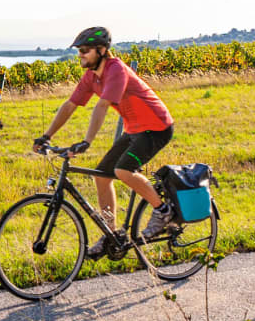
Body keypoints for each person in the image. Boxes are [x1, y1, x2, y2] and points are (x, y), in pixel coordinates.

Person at [33, 26, 177, 259]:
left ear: (101, 50)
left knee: (122, 170)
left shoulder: (116, 70)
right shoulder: (92, 76)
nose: (79, 54)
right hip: (134, 130)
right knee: (101, 175)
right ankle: (111, 234)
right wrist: (46, 136)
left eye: (84, 50)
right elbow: (70, 105)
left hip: (156, 127)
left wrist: (86, 141)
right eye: (79, 50)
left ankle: (163, 210)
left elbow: (101, 106)